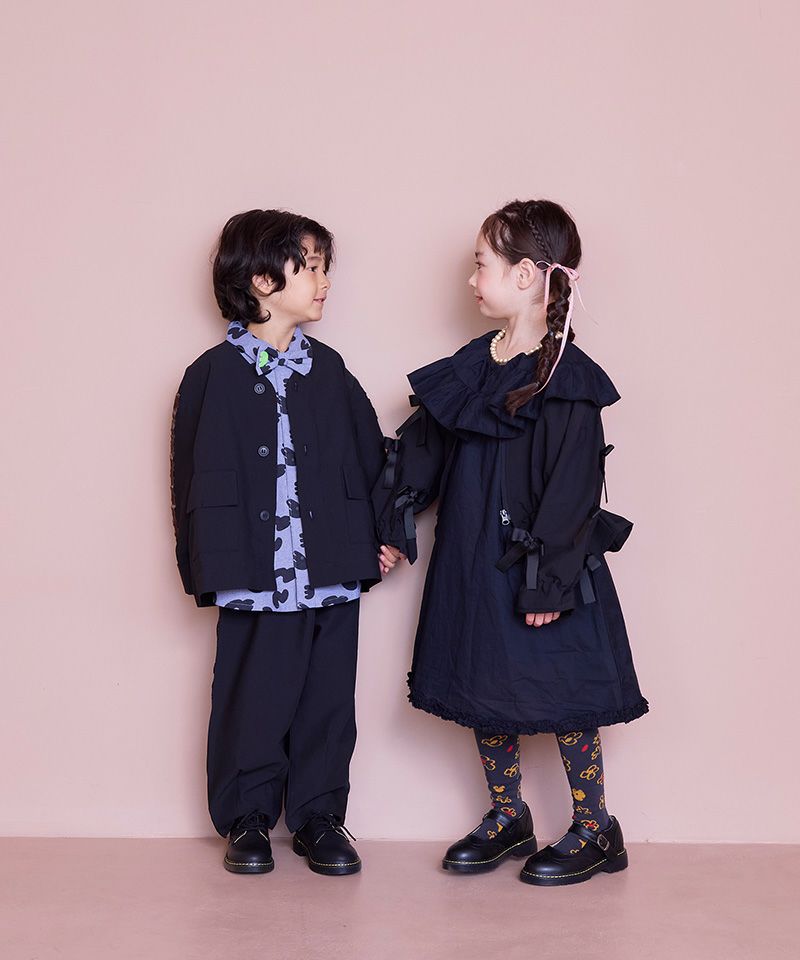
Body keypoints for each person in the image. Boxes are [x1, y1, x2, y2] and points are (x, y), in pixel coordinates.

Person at [374, 199, 649, 886]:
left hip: (537, 565)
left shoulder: (567, 379)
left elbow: (572, 490)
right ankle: (508, 814)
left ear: (526, 275)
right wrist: (395, 523)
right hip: (473, 557)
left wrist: (549, 581)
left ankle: (596, 827)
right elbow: (426, 448)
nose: (471, 280)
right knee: (484, 681)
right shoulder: (474, 365)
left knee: (563, 690)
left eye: (481, 265)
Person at [170, 209, 401, 876]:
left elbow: (370, 457)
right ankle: (246, 818)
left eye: (326, 269)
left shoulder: (329, 371)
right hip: (253, 570)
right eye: (314, 268)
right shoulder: (210, 375)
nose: (326, 283)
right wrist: (204, 563)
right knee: (252, 697)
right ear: (264, 280)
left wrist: (386, 534)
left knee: (328, 698)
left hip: (330, 565)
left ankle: (320, 817)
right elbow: (189, 478)